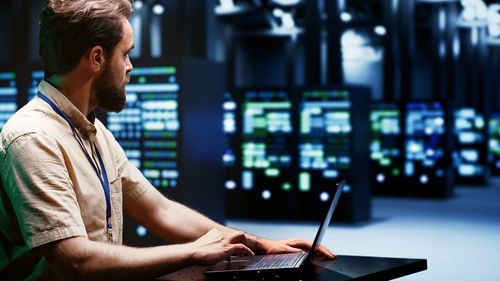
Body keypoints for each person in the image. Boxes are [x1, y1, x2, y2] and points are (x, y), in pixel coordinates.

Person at [0, 0, 335, 280]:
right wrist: (193, 251)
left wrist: (259, 244)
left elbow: (159, 210)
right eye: (125, 54)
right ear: (97, 58)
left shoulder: (94, 132)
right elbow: (75, 259)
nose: (130, 67)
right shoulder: (34, 137)